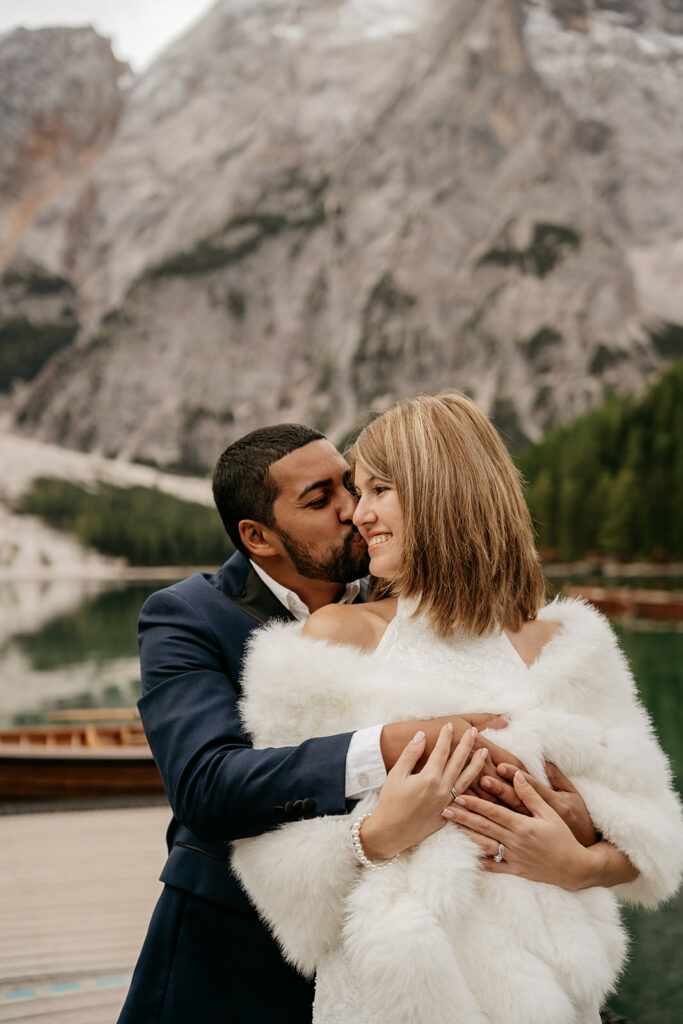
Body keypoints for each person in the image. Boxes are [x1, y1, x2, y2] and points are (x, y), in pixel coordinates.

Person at [232, 395, 683, 1024]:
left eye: (378, 489)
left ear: (442, 490)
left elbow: (656, 834)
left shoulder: (567, 647)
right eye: (357, 493)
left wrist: (580, 863)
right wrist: (378, 834)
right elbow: (268, 850)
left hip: (552, 995)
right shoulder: (335, 642)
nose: (358, 515)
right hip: (393, 996)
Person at [118, 422, 543, 1024]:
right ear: (257, 537)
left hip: (398, 959)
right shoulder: (187, 616)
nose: (354, 509)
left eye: (355, 485)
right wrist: (392, 744)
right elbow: (205, 786)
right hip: (236, 950)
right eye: (321, 500)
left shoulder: (411, 589)